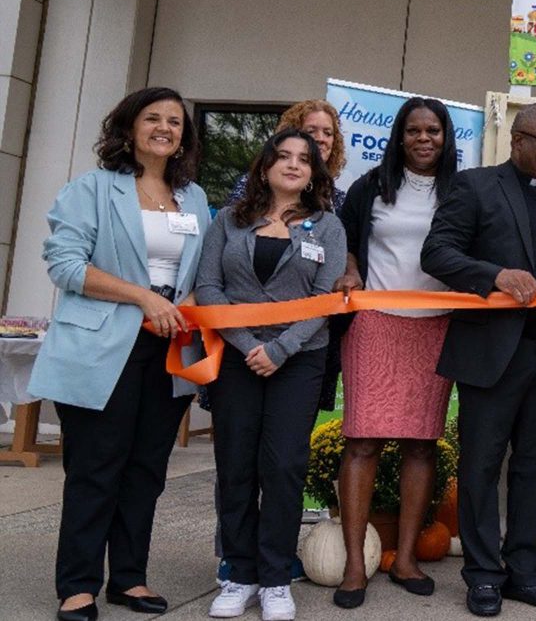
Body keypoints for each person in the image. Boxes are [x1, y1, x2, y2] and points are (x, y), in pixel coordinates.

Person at [31, 87, 209, 621]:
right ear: (128, 128)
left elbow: (204, 270)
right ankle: (78, 585)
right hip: (102, 344)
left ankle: (129, 579)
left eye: (174, 121)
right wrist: (143, 297)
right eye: (152, 118)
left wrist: (189, 302)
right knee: (95, 468)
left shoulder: (194, 198)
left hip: (170, 349)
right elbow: (65, 264)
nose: (164, 128)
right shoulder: (92, 188)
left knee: (146, 470)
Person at [420, 103, 536, 618]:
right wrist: (494, 275)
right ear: (518, 141)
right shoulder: (475, 186)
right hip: (493, 353)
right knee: (481, 467)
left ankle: (526, 573)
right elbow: (437, 253)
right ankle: (483, 576)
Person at [196, 129, 346, 621]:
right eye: (283, 156)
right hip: (236, 357)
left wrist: (280, 349)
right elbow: (209, 287)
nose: (293, 164)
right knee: (235, 463)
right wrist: (248, 345)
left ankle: (277, 577)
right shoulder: (228, 220)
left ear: (313, 175)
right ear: (264, 168)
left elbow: (325, 300)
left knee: (283, 466)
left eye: (304, 159)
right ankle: (239, 573)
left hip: (299, 359)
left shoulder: (327, 227)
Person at [329, 97, 458, 608]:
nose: (424, 139)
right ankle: (354, 565)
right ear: (399, 136)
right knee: (362, 441)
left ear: (446, 137)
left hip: (437, 326)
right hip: (375, 322)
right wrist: (350, 269)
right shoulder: (371, 185)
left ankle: (405, 559)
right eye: (414, 130)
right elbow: (346, 238)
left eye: (433, 131)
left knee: (421, 444)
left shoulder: (460, 189)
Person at [226, 99, 348, 210]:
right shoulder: (252, 184)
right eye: (311, 131)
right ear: (291, 134)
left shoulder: (337, 199)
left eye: (327, 133)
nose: (320, 138)